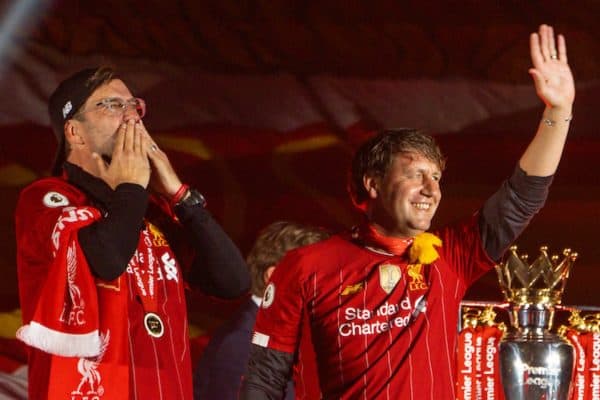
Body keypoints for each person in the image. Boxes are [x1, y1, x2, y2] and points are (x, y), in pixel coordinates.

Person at [240, 24, 575, 399]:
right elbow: (264, 380)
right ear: (373, 184)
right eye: (416, 175)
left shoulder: (451, 256)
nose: (431, 190)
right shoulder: (305, 267)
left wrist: (558, 112)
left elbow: (522, 197)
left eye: (436, 177)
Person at [14, 67, 250, 399]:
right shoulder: (48, 199)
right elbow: (105, 259)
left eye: (134, 105)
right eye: (111, 105)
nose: (132, 117)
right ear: (74, 132)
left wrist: (179, 195)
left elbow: (234, 282)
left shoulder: (151, 211)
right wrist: (131, 186)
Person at [193, 221, 329, 400]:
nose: (327, 290)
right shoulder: (240, 347)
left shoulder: (271, 338)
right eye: (316, 277)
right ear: (275, 277)